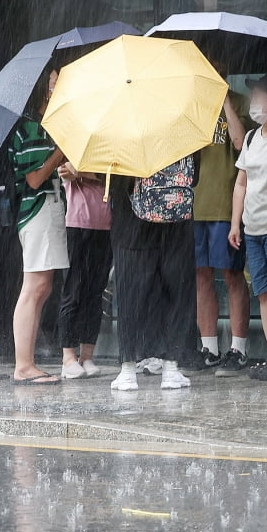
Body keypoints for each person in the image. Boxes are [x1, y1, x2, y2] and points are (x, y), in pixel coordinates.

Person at [109, 163, 197, 392]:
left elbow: (112, 181)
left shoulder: (120, 134)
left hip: (131, 226)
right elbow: (193, 177)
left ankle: (128, 370)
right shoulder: (181, 132)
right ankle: (171, 367)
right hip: (175, 223)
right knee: (176, 292)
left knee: (130, 297)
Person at [7, 71, 68, 385]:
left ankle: (26, 362)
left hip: (46, 211)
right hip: (37, 211)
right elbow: (33, 178)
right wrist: (60, 153)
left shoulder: (44, 127)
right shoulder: (32, 127)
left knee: (42, 287)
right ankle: (23, 364)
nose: (59, 87)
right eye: (55, 82)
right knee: (34, 287)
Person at [229, 74, 267, 378]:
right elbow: (241, 184)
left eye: (260, 97)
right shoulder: (251, 138)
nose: (255, 102)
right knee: (264, 293)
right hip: (252, 229)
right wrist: (234, 223)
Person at [193, 81, 253, 377]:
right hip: (195, 204)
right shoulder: (193, 106)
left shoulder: (241, 103)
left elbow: (242, 143)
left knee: (232, 275)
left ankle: (239, 348)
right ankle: (209, 347)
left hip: (226, 205)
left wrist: (225, 101)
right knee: (201, 275)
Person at [57, 158, 112, 379]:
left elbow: (114, 177)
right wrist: (90, 172)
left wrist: (83, 172)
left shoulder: (108, 147)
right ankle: (68, 356)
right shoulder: (74, 142)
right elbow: (64, 170)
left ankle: (87, 355)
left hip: (105, 223)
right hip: (77, 222)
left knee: (95, 291)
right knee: (74, 289)